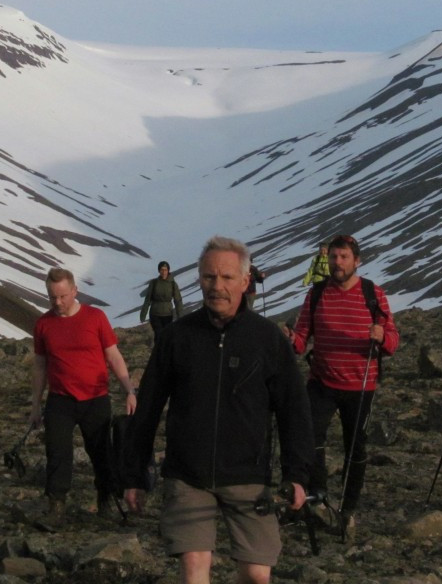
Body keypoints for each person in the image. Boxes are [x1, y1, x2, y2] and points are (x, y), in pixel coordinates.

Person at [124, 236, 314, 584]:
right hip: (187, 475)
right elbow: (148, 406)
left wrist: (297, 475)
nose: (217, 286)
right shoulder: (176, 338)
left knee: (256, 575)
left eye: (227, 278)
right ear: (199, 279)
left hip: (249, 476)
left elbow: (293, 410)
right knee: (194, 569)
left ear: (245, 281)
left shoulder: (268, 340)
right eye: (210, 277)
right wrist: (135, 474)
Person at [291, 234, 398, 527]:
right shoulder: (316, 294)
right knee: (310, 435)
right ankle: (318, 493)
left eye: (343, 257)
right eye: (333, 257)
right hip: (322, 381)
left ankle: (348, 508)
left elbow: (392, 341)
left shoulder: (372, 294)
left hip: (361, 384)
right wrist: (291, 341)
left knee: (356, 446)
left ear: (356, 261)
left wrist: (382, 337)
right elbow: (302, 337)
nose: (337, 263)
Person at [30, 267, 138, 523]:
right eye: (52, 297)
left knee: (102, 452)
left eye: (63, 296)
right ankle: (56, 507)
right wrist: (35, 404)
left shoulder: (95, 317)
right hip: (60, 400)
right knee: (57, 453)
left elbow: (113, 355)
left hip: (95, 399)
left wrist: (129, 390)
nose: (57, 302)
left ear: (75, 291)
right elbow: (40, 365)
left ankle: (107, 500)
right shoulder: (44, 324)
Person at [140, 260, 184, 339]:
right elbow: (148, 299)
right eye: (162, 270)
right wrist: (143, 314)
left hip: (168, 315)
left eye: (165, 270)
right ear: (159, 271)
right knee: (158, 334)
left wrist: (180, 316)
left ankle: (165, 351)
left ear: (168, 271)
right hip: (155, 314)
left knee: (166, 335)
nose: (163, 272)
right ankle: (158, 351)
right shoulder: (154, 283)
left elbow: (178, 300)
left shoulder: (173, 284)